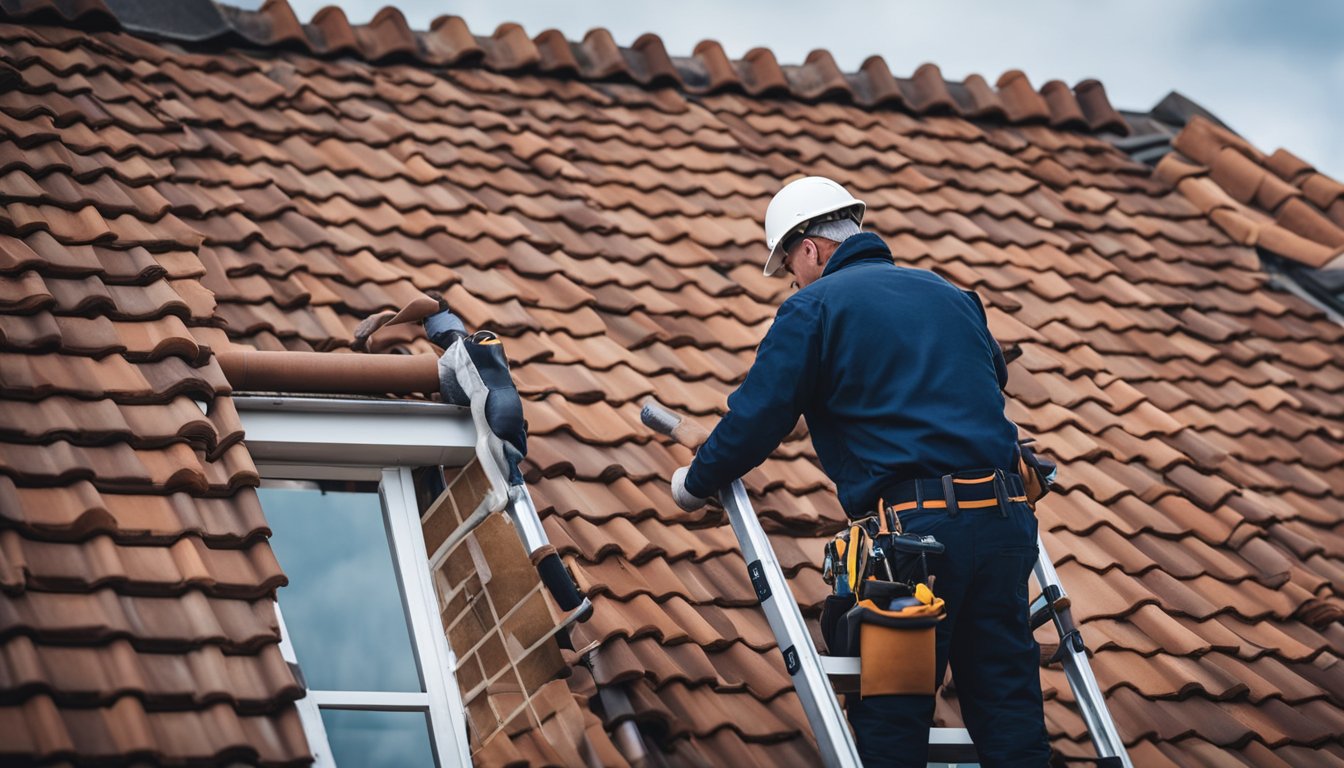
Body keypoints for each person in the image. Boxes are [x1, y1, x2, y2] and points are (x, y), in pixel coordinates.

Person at [667, 176, 1051, 767]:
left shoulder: (812, 307)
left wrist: (693, 485)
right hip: (1005, 527)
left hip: (920, 545)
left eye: (790, 265)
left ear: (811, 249)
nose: (792, 280)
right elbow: (980, 382)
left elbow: (757, 417)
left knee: (892, 722)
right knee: (1008, 713)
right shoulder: (952, 295)